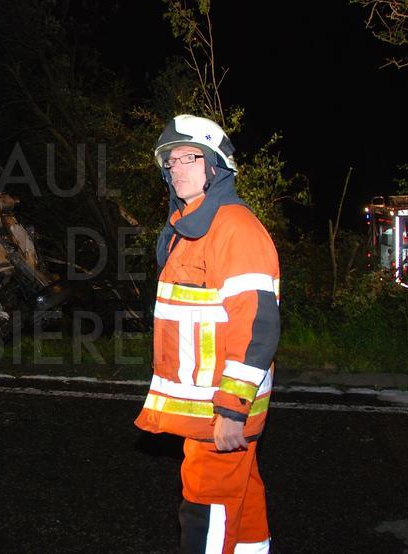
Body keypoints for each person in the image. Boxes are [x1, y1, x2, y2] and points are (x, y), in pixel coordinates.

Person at [135, 115, 280, 553]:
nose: (176, 169)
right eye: (170, 162)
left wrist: (233, 409)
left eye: (189, 158)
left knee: (207, 510)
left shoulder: (233, 228)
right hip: (207, 408)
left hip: (222, 409)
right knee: (242, 498)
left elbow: (257, 324)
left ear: (216, 165)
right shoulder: (190, 228)